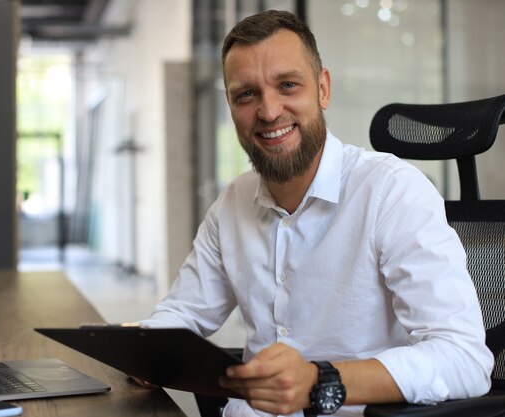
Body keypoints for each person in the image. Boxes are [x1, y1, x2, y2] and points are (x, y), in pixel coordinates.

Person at [139, 10, 493, 417]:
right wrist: (148, 350)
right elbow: (184, 312)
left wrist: (320, 381)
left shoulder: (392, 192)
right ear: (231, 106)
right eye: (246, 94)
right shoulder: (233, 202)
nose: (269, 111)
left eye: (287, 85)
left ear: (323, 89)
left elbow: (464, 358)